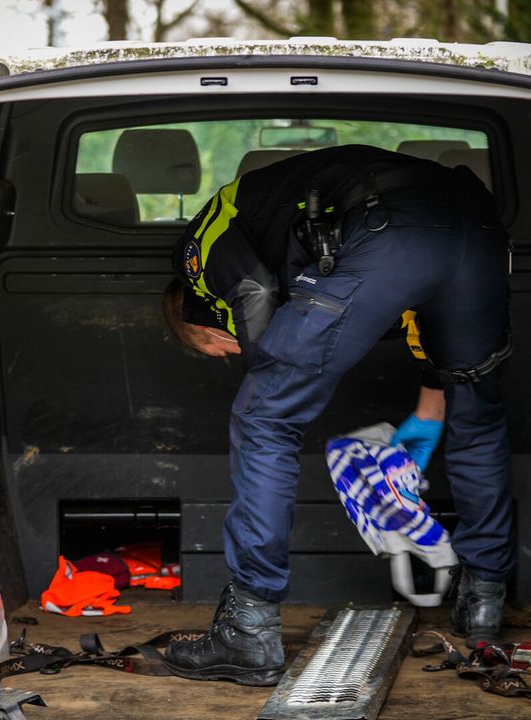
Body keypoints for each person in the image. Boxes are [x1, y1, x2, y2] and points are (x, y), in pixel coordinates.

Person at [160, 144, 512, 685]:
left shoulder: (199, 258)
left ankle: (249, 631)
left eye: (217, 351)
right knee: (478, 412)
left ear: (203, 323)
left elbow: (256, 297)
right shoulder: (285, 211)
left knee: (264, 419)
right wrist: (426, 411)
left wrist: (268, 379)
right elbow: (426, 321)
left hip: (390, 229)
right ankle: (483, 603)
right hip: (478, 231)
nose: (229, 357)